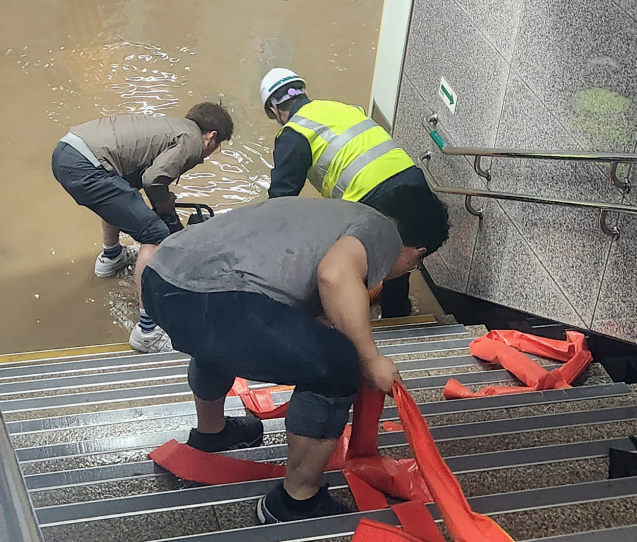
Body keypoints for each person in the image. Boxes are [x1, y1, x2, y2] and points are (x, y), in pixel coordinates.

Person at [141, 190, 449, 523]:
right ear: (417, 253)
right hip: (218, 302)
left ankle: (211, 432)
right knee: (339, 364)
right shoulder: (382, 231)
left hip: (162, 280)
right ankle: (295, 501)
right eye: (414, 264)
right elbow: (334, 274)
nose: (407, 270)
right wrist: (371, 360)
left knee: (221, 341)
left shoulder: (331, 213)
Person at [52, 104, 234, 353]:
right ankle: (147, 332)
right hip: (87, 166)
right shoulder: (192, 141)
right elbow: (153, 179)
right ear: (211, 136)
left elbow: (137, 179)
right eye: (217, 146)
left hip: (67, 152)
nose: (210, 154)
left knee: (121, 192)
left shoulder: (171, 127)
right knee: (156, 236)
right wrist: (164, 201)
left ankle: (112, 257)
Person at [260, 68, 436, 319]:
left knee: (344, 266)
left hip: (372, 197)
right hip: (412, 179)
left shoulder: (294, 132)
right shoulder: (342, 108)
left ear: (273, 111)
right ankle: (397, 317)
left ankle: (342, 325)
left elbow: (281, 200)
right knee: (400, 254)